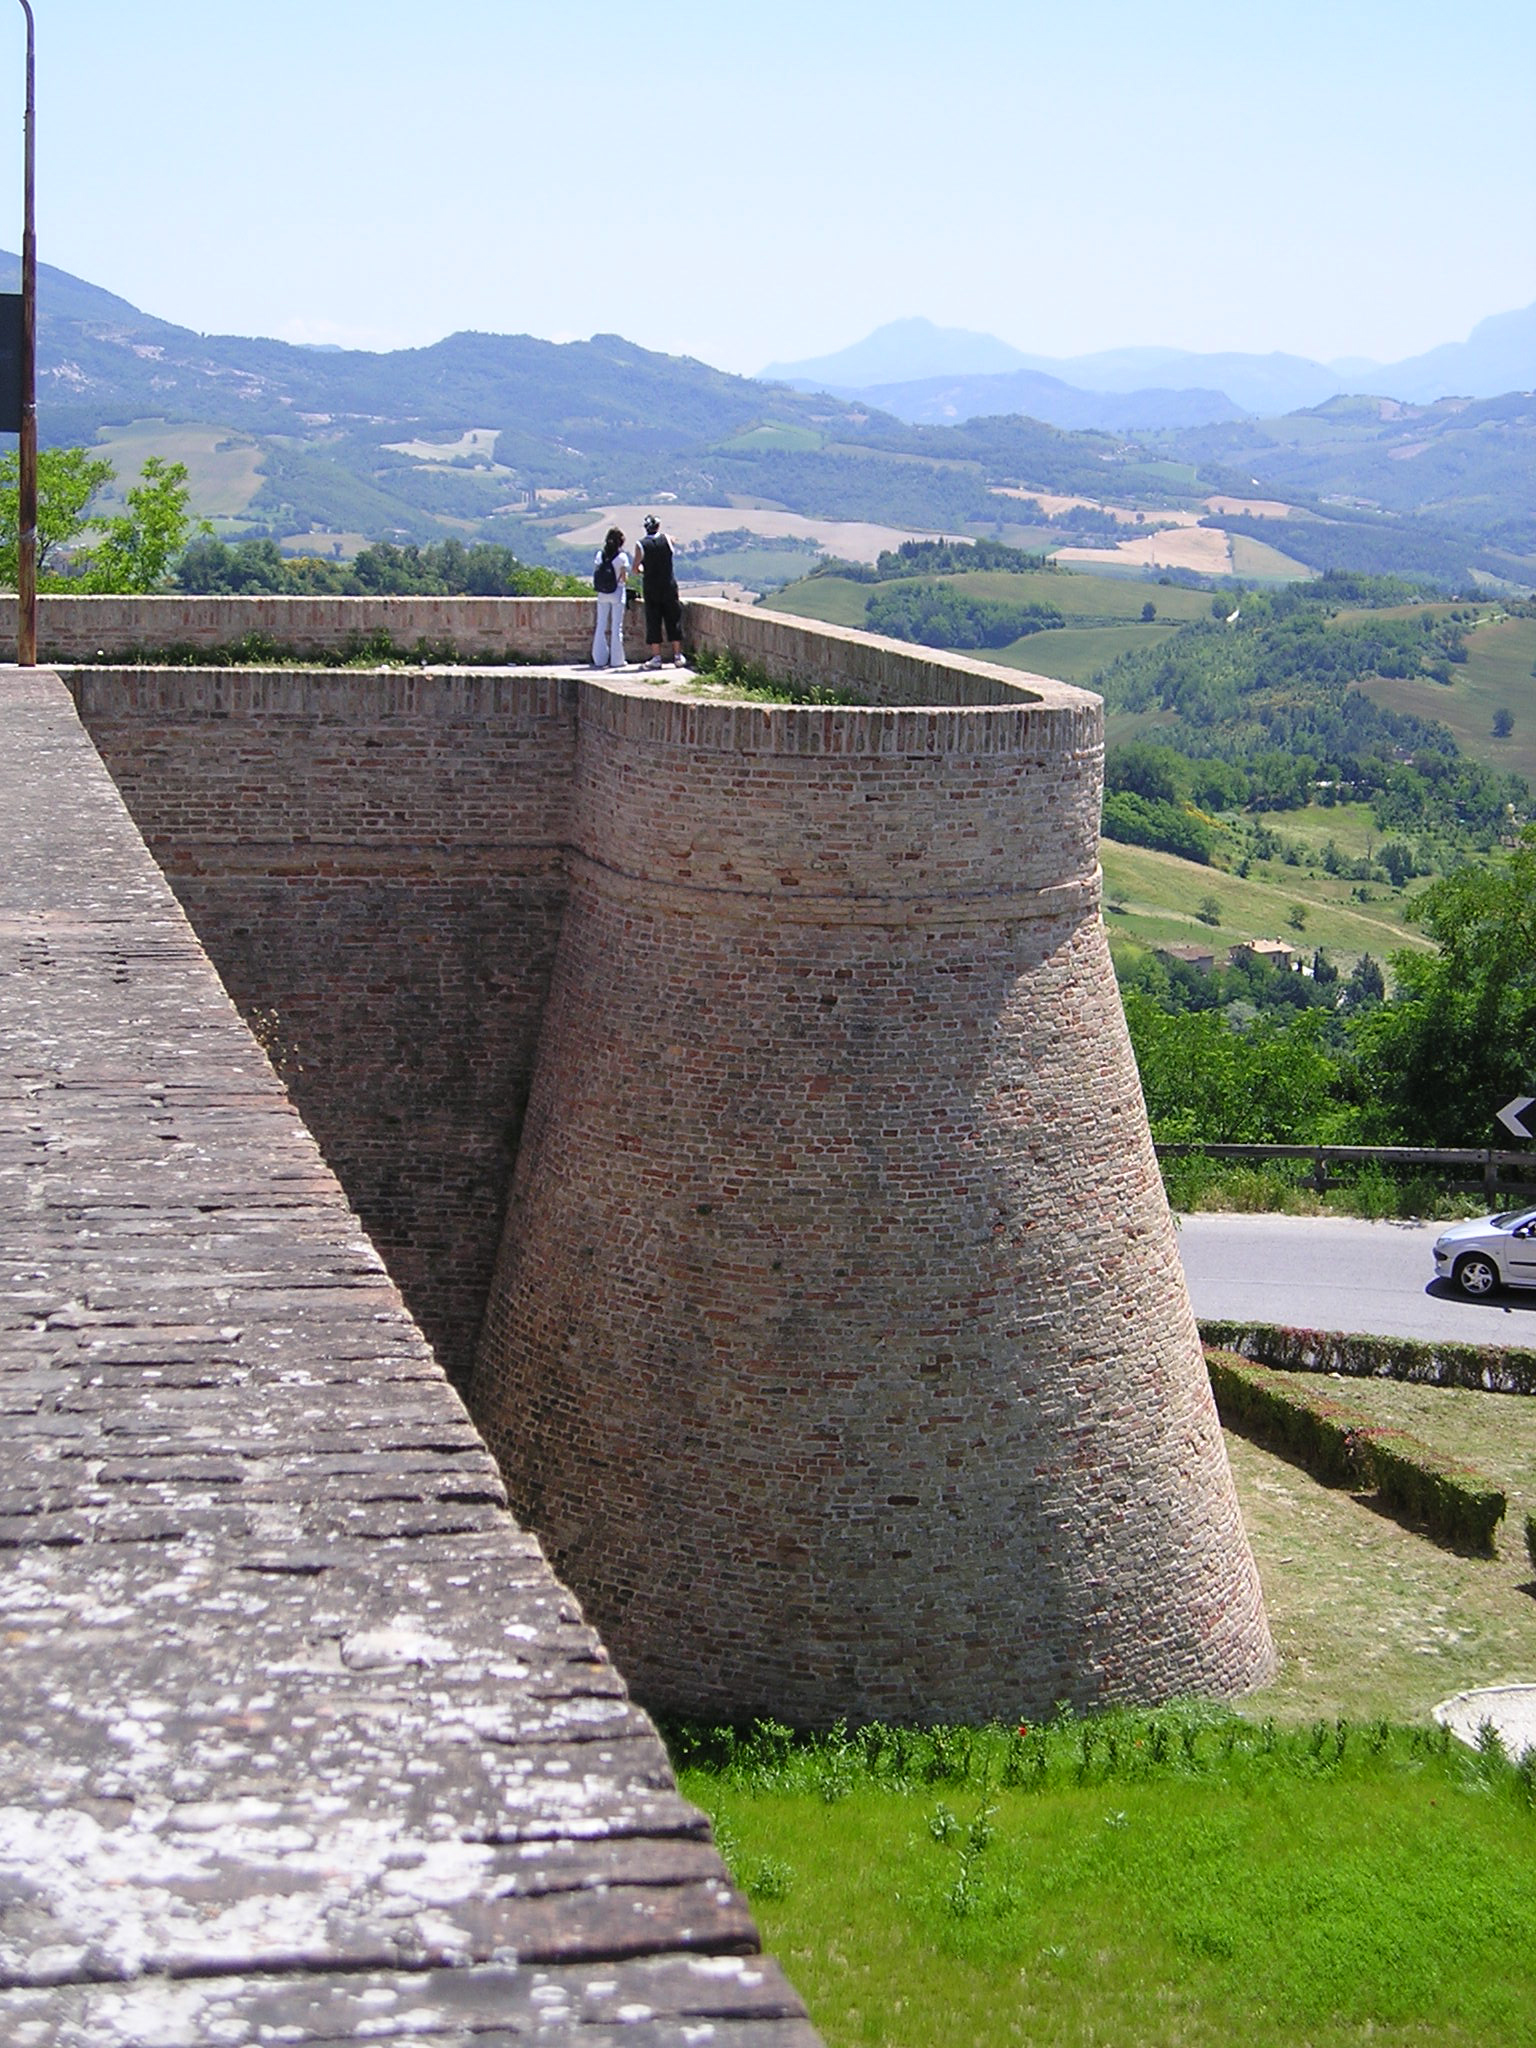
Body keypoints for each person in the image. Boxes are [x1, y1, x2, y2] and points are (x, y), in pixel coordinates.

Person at [635, 514, 685, 669]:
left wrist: (645, 569)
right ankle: (677, 655)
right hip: (669, 585)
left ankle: (656, 657)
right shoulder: (667, 540)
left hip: (651, 587)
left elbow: (635, 568)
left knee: (653, 620)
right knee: (673, 618)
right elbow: (675, 541)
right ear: (658, 526)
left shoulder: (641, 545)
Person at [591, 527, 629, 668]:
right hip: (617, 592)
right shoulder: (622, 557)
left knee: (600, 625)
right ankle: (617, 660)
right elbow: (624, 578)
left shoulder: (600, 555)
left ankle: (599, 659)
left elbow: (596, 572)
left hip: (602, 593)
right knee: (616, 627)